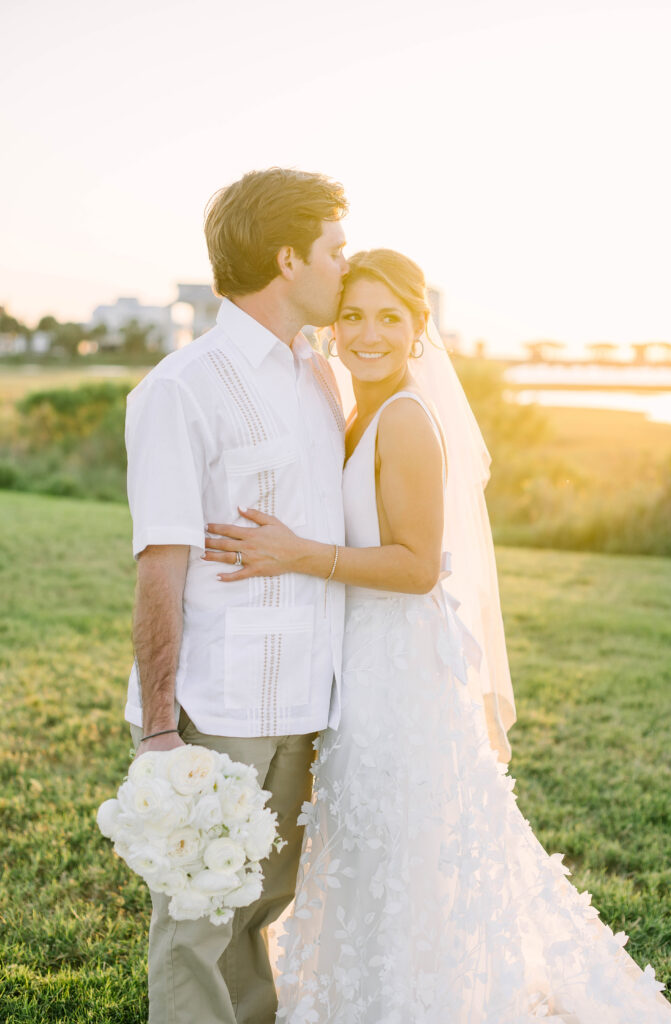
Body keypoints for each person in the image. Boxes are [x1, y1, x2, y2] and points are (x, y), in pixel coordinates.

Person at [203, 249, 671, 1022]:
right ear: (332, 327)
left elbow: (418, 566)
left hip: (397, 674)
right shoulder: (354, 410)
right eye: (352, 315)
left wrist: (295, 553)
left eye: (388, 318)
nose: (368, 333)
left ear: (417, 329)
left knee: (397, 841)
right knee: (370, 843)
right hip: (360, 662)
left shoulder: (405, 419)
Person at [124, 167, 349, 1024]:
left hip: (306, 697)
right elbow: (160, 562)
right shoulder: (181, 387)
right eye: (335, 250)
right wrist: (159, 729)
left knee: (260, 903)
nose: (344, 266)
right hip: (219, 704)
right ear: (289, 259)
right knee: (197, 916)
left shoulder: (317, 375)